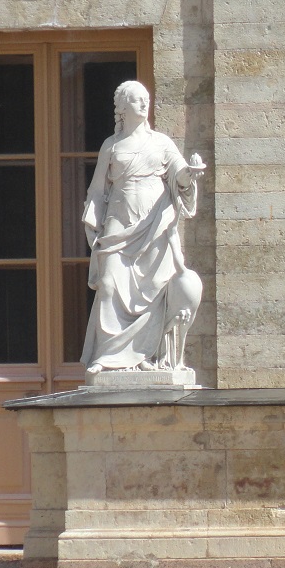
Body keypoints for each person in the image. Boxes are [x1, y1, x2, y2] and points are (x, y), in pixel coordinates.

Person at [80, 80, 206, 374]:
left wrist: (190, 173)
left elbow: (179, 175)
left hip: (154, 225)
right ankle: (107, 357)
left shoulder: (161, 143)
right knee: (109, 286)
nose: (144, 103)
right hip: (119, 222)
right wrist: (91, 222)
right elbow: (97, 189)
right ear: (122, 107)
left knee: (155, 289)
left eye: (146, 99)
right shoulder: (111, 146)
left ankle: (147, 355)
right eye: (137, 99)